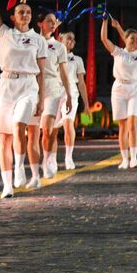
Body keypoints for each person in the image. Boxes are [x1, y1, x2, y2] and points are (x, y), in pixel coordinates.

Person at [0, 0, 46, 196]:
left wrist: (42, 99)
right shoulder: (4, 33)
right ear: (12, 17)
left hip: (29, 85)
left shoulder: (37, 39)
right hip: (7, 84)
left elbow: (42, 73)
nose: (25, 15)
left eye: (28, 12)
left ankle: (19, 166)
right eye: (20, 12)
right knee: (5, 137)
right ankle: (8, 184)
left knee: (19, 125)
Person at [100, 15, 137, 170]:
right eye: (133, 39)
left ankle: (134, 158)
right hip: (119, 89)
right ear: (126, 39)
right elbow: (104, 39)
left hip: (136, 89)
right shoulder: (118, 53)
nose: (136, 41)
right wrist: (104, 21)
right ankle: (124, 158)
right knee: (123, 126)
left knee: (132, 123)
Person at [35, 10, 74, 180]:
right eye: (48, 21)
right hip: (32, 86)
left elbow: (64, 73)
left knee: (48, 130)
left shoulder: (59, 46)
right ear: (40, 23)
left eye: (53, 21)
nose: (52, 24)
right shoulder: (32, 42)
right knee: (34, 130)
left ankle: (48, 158)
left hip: (52, 87)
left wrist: (70, 95)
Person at [56, 31, 89, 170]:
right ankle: (50, 158)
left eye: (73, 39)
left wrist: (86, 105)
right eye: (68, 38)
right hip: (55, 93)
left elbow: (81, 83)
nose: (71, 41)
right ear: (60, 40)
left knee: (68, 124)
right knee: (50, 130)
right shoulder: (52, 56)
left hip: (72, 94)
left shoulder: (77, 60)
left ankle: (68, 157)